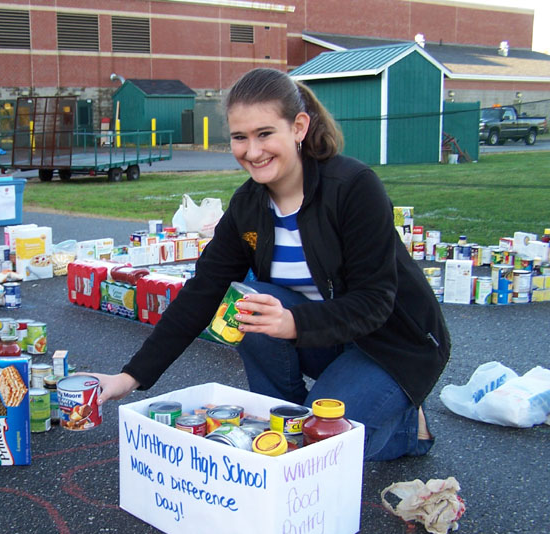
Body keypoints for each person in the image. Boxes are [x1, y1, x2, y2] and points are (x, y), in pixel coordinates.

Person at [94, 67, 450, 461]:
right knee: (253, 304)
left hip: (393, 344)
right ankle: (284, 428)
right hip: (329, 334)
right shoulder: (248, 207)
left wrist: (292, 323)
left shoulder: (352, 187)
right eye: (240, 138)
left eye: (265, 134)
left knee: (323, 447)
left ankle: (406, 428)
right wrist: (130, 377)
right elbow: (202, 292)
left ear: (298, 127)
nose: (252, 151)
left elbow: (375, 301)